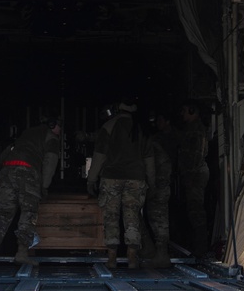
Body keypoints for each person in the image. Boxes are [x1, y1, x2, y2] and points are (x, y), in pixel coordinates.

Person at [0, 115, 61, 265]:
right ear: (52, 125)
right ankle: (22, 253)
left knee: (3, 212)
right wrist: (44, 186)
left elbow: (7, 151)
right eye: (59, 126)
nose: (60, 130)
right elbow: (50, 163)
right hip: (28, 172)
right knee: (28, 212)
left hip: (8, 169)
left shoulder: (27, 133)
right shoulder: (51, 138)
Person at [86, 99, 154, 269]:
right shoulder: (141, 128)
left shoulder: (108, 127)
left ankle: (111, 257)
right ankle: (132, 256)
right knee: (132, 216)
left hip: (111, 178)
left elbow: (99, 156)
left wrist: (91, 179)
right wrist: (151, 182)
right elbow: (149, 159)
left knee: (111, 216)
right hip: (136, 179)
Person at [177, 101, 210, 259]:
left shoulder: (196, 129)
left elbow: (196, 155)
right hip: (192, 174)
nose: (182, 114)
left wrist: (189, 176)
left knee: (196, 211)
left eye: (184, 110)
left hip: (195, 174)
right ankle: (197, 248)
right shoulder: (191, 128)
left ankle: (200, 250)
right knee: (193, 210)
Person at [142, 111, 175, 267]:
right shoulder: (161, 141)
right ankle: (155, 252)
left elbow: (157, 166)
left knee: (159, 220)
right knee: (155, 218)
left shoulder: (155, 144)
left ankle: (162, 254)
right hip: (160, 184)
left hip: (159, 185)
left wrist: (152, 184)